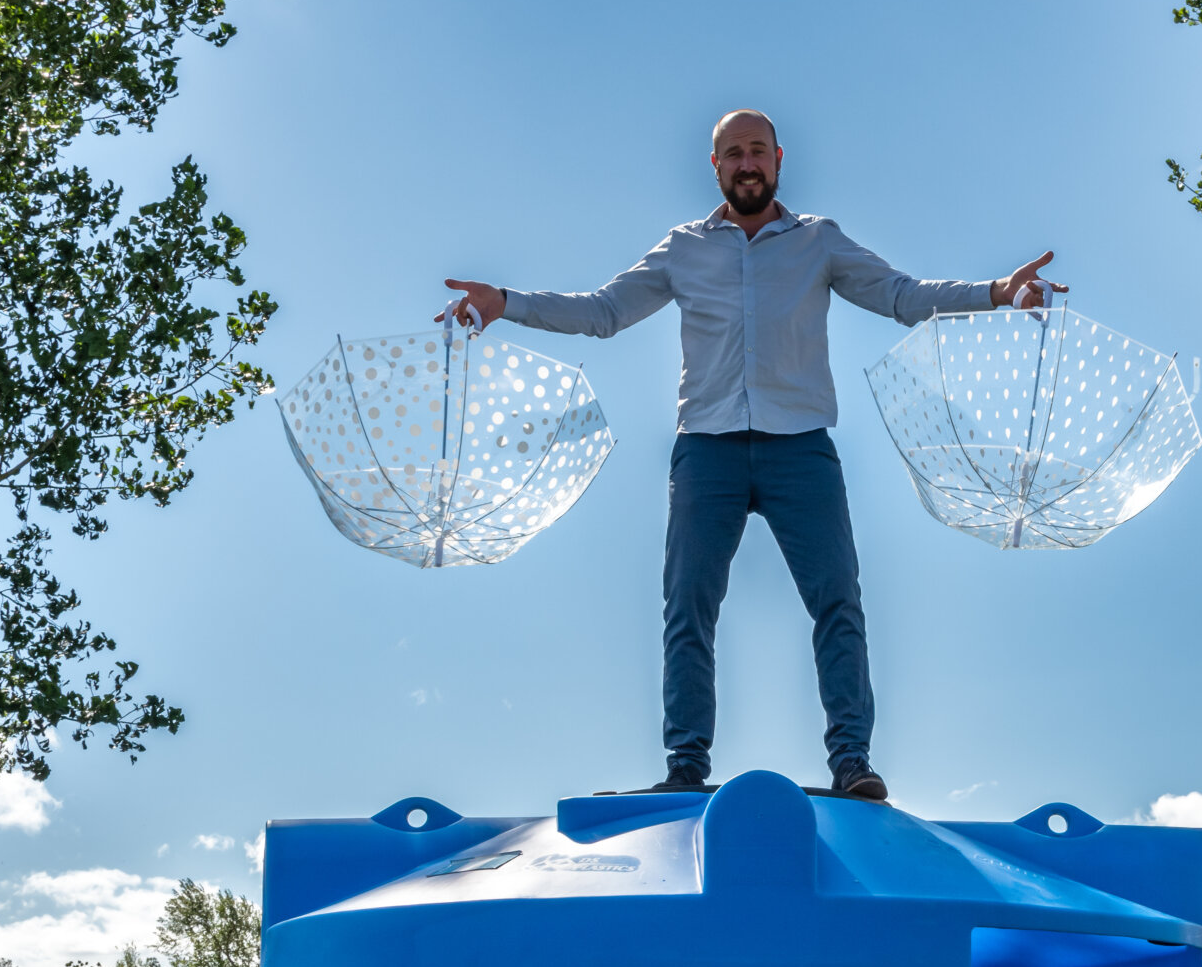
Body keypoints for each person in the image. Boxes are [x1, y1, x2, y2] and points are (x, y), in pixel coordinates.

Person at [440, 109, 1065, 800]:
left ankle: (852, 761)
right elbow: (604, 312)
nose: (747, 163)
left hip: (801, 449)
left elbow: (901, 295)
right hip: (706, 450)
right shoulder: (684, 248)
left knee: (838, 601)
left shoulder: (817, 240)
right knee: (688, 606)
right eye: (733, 153)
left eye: (758, 151)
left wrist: (998, 292)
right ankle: (686, 768)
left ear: (778, 160)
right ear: (715, 166)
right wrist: (508, 301)